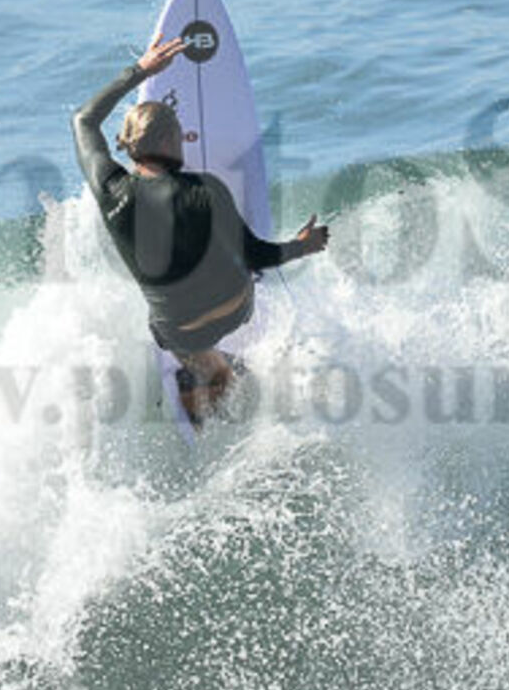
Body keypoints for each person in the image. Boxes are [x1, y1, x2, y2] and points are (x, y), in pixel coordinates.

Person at [73, 33, 329, 423]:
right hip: (235, 309)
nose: (184, 141)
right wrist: (301, 245)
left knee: (166, 325)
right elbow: (257, 255)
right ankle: (222, 374)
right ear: (166, 141)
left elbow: (84, 119)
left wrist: (140, 70)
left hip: (180, 331)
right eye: (179, 134)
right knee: (234, 267)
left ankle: (205, 369)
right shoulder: (205, 189)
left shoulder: (111, 191)